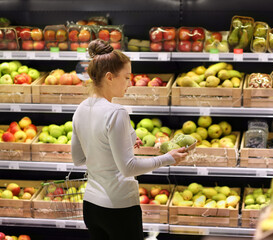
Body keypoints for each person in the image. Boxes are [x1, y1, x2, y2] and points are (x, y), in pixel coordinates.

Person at [71, 39, 188, 240]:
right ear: (109, 77)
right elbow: (128, 168)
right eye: (126, 77)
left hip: (91, 207)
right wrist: (168, 158)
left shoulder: (81, 108)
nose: (130, 83)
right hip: (118, 208)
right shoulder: (116, 112)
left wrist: (112, 147)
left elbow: (78, 159)